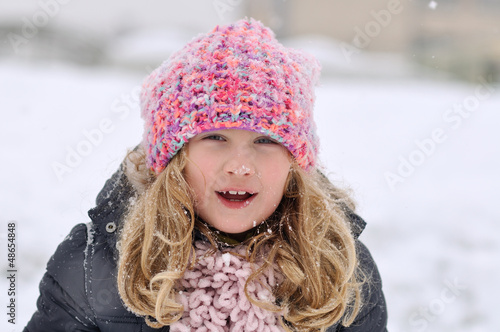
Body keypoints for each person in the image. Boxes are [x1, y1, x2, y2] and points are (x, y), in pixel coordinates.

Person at [25, 18, 387, 331]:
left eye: (265, 140)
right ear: (174, 159)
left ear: (296, 163)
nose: (241, 166)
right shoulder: (94, 266)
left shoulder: (340, 269)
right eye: (215, 137)